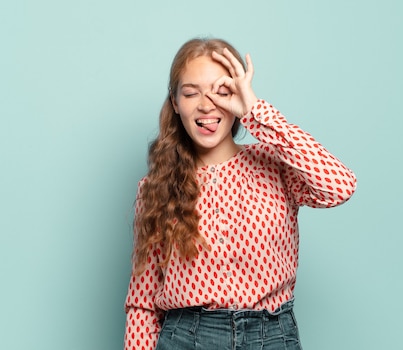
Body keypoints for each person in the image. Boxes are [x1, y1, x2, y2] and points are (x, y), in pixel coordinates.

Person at [124, 37, 356, 350]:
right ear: (176, 102)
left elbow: (339, 185)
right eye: (191, 93)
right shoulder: (155, 186)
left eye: (222, 92)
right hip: (186, 338)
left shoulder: (275, 162)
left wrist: (256, 111)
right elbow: (143, 300)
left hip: (272, 336)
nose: (206, 105)